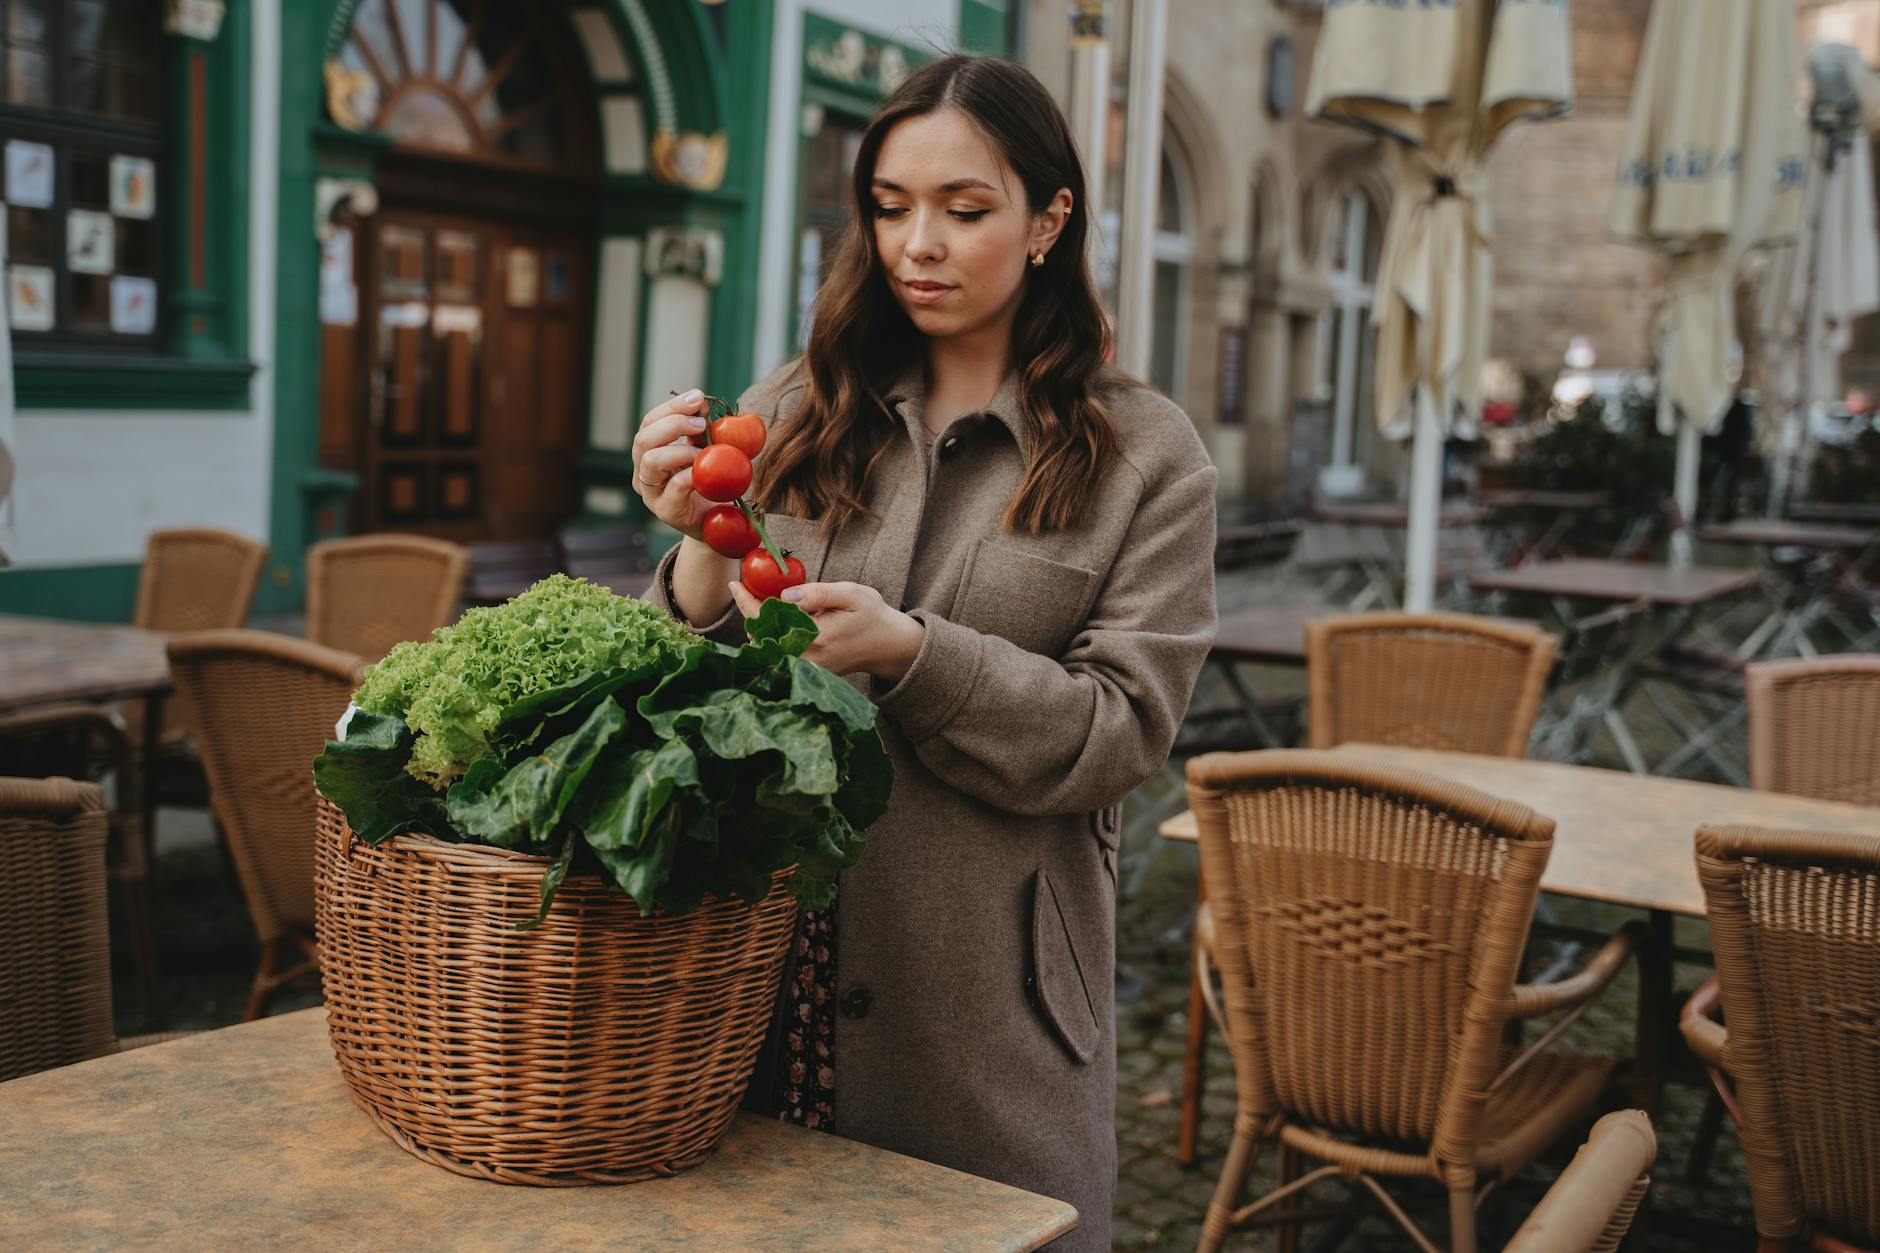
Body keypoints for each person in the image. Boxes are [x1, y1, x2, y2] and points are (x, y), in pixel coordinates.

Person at [635, 54, 1217, 1250]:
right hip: (744, 982)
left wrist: (914, 655)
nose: (919, 245)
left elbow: (1122, 733)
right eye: (890, 207)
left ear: (1049, 218)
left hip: (983, 1017)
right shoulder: (791, 406)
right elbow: (675, 697)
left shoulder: (1146, 456)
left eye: (964, 210)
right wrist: (697, 547)